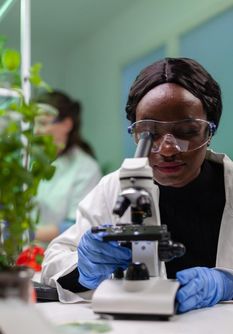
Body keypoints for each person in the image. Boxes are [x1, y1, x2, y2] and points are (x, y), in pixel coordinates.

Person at [41, 58, 233, 313]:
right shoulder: (115, 188)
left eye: (186, 130)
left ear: (209, 132)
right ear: (135, 132)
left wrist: (227, 283)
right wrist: (84, 268)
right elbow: (53, 263)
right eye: (148, 133)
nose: (167, 149)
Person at [34, 90, 102, 243]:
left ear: (67, 124)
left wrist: (28, 234)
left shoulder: (86, 168)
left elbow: (74, 226)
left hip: (62, 256)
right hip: (29, 255)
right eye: (34, 123)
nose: (36, 130)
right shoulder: (34, 161)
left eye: (43, 123)